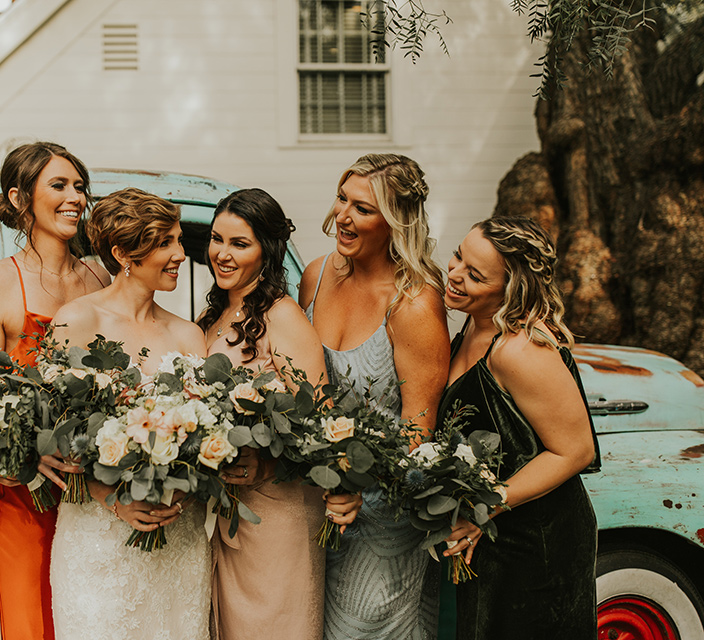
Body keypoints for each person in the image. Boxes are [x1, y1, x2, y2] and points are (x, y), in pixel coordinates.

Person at [47, 187, 211, 640]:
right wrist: (114, 498)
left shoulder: (188, 337)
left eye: (178, 240)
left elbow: (208, 435)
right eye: (164, 243)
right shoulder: (76, 322)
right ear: (122, 254)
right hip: (99, 540)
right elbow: (58, 438)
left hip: (178, 537)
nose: (180, 254)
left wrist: (183, 487)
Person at [299, 153, 450, 639]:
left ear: (395, 222)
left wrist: (357, 484)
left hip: (386, 514)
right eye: (342, 199)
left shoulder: (414, 303)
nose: (343, 216)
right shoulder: (316, 275)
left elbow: (417, 431)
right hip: (316, 502)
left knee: (359, 630)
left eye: (362, 208)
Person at [0, 142, 109, 640]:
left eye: (79, 186)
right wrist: (27, 458)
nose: (76, 198)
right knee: (30, 620)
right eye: (59, 186)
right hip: (28, 492)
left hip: (97, 489)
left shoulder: (100, 277)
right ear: (20, 198)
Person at [439, 216, 598, 638]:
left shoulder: (520, 349)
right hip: (489, 532)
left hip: (537, 541)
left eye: (474, 275)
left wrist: (485, 505)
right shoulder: (473, 321)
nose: (454, 274)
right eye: (458, 256)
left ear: (511, 290)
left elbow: (575, 451)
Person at [196, 188, 328, 640]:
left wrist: (267, 461)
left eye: (240, 243)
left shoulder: (282, 316)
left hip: (275, 511)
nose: (222, 254)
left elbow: (319, 419)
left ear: (267, 250)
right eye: (217, 239)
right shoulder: (212, 315)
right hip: (223, 510)